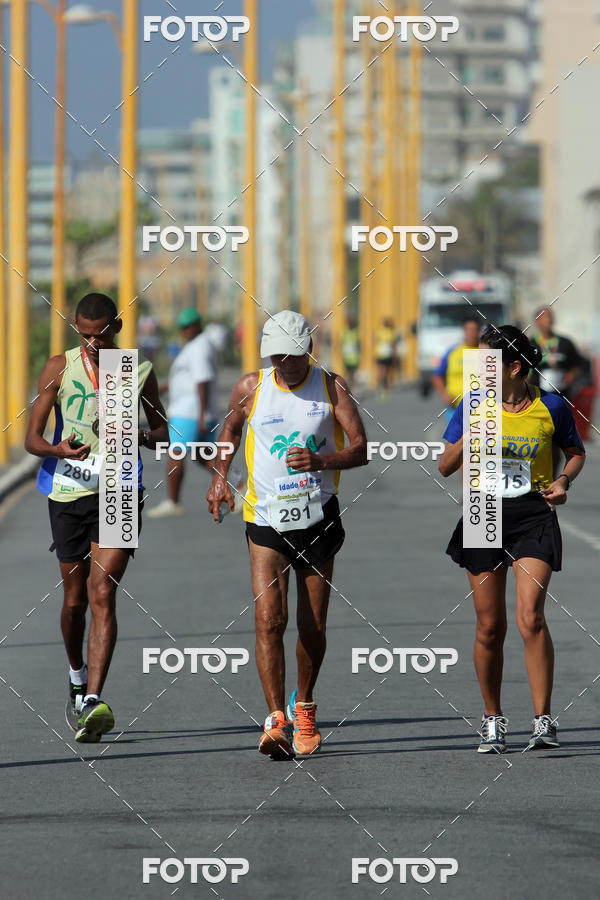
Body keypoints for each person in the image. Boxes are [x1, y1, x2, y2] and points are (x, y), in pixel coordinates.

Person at [206, 310, 368, 759]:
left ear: (309, 350)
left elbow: (360, 449)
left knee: (311, 624)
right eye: (277, 356)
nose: (285, 364)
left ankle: (306, 706)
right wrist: (220, 476)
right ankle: (276, 718)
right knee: (268, 620)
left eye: (293, 356)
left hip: (318, 517)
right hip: (266, 520)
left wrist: (322, 462)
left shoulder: (331, 386)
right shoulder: (251, 387)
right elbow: (231, 431)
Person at [25, 293, 168, 742]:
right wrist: (56, 449)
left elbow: (163, 430)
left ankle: (92, 700)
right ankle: (76, 676)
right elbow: (31, 437)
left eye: (99, 334)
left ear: (117, 327)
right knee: (74, 602)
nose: (91, 343)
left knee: (102, 590)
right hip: (68, 492)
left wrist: (143, 434)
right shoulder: (58, 368)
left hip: (121, 491)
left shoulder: (137, 370)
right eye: (83, 334)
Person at [438, 324, 585, 753]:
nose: (479, 370)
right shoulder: (471, 405)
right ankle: (492, 718)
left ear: (515, 367)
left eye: (488, 363)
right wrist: (475, 428)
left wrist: (563, 482)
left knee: (530, 617)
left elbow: (575, 453)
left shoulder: (552, 407)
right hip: (484, 513)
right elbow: (445, 466)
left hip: (533, 515)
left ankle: (543, 720)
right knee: (489, 627)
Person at [148, 307, 218, 518]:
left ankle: (173, 501)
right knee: (203, 454)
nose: (184, 330)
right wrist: (155, 389)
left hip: (190, 411)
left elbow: (202, 381)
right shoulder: (195, 346)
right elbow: (184, 380)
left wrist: (202, 415)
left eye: (187, 326)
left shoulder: (198, 347)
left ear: (198, 325)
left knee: (175, 453)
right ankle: (241, 488)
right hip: (193, 409)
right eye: (181, 327)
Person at [431, 317, 481, 423]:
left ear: (479, 332)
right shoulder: (452, 352)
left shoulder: (487, 353)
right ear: (464, 331)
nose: (472, 333)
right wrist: (444, 394)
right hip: (455, 408)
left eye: (474, 330)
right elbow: (437, 376)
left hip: (481, 409)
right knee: (456, 439)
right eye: (469, 330)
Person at [529, 307, 580, 400]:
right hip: (538, 396)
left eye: (550, 316)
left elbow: (576, 363)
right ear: (537, 321)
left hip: (562, 395)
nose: (548, 320)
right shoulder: (530, 344)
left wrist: (572, 375)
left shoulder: (566, 342)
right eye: (544, 317)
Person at [374, 317, 397, 393]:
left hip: (388, 355)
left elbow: (393, 345)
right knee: (381, 370)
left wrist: (394, 355)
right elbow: (375, 342)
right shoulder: (379, 331)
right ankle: (381, 384)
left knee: (386, 371)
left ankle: (384, 383)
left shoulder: (391, 332)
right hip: (381, 354)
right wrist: (375, 354)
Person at [341, 316, 360, 388]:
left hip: (354, 357)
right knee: (348, 374)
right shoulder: (344, 332)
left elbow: (359, 344)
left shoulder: (356, 333)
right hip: (347, 357)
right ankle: (349, 387)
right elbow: (341, 343)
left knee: (353, 374)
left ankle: (351, 388)